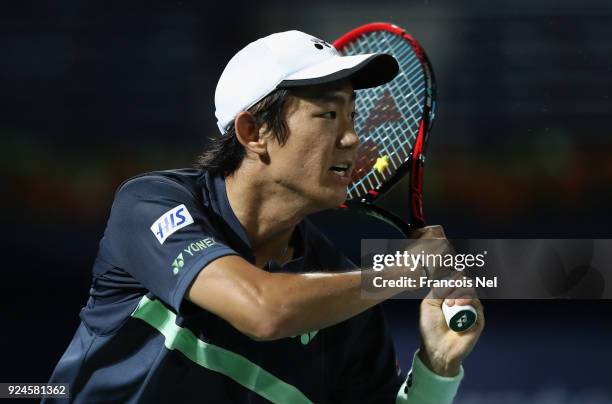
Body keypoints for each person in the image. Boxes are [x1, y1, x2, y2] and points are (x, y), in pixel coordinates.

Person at [46, 30, 484, 403]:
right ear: (253, 132)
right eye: (329, 115)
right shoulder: (153, 204)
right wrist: (398, 272)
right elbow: (263, 311)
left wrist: (437, 368)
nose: (352, 138)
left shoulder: (345, 304)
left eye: (352, 115)